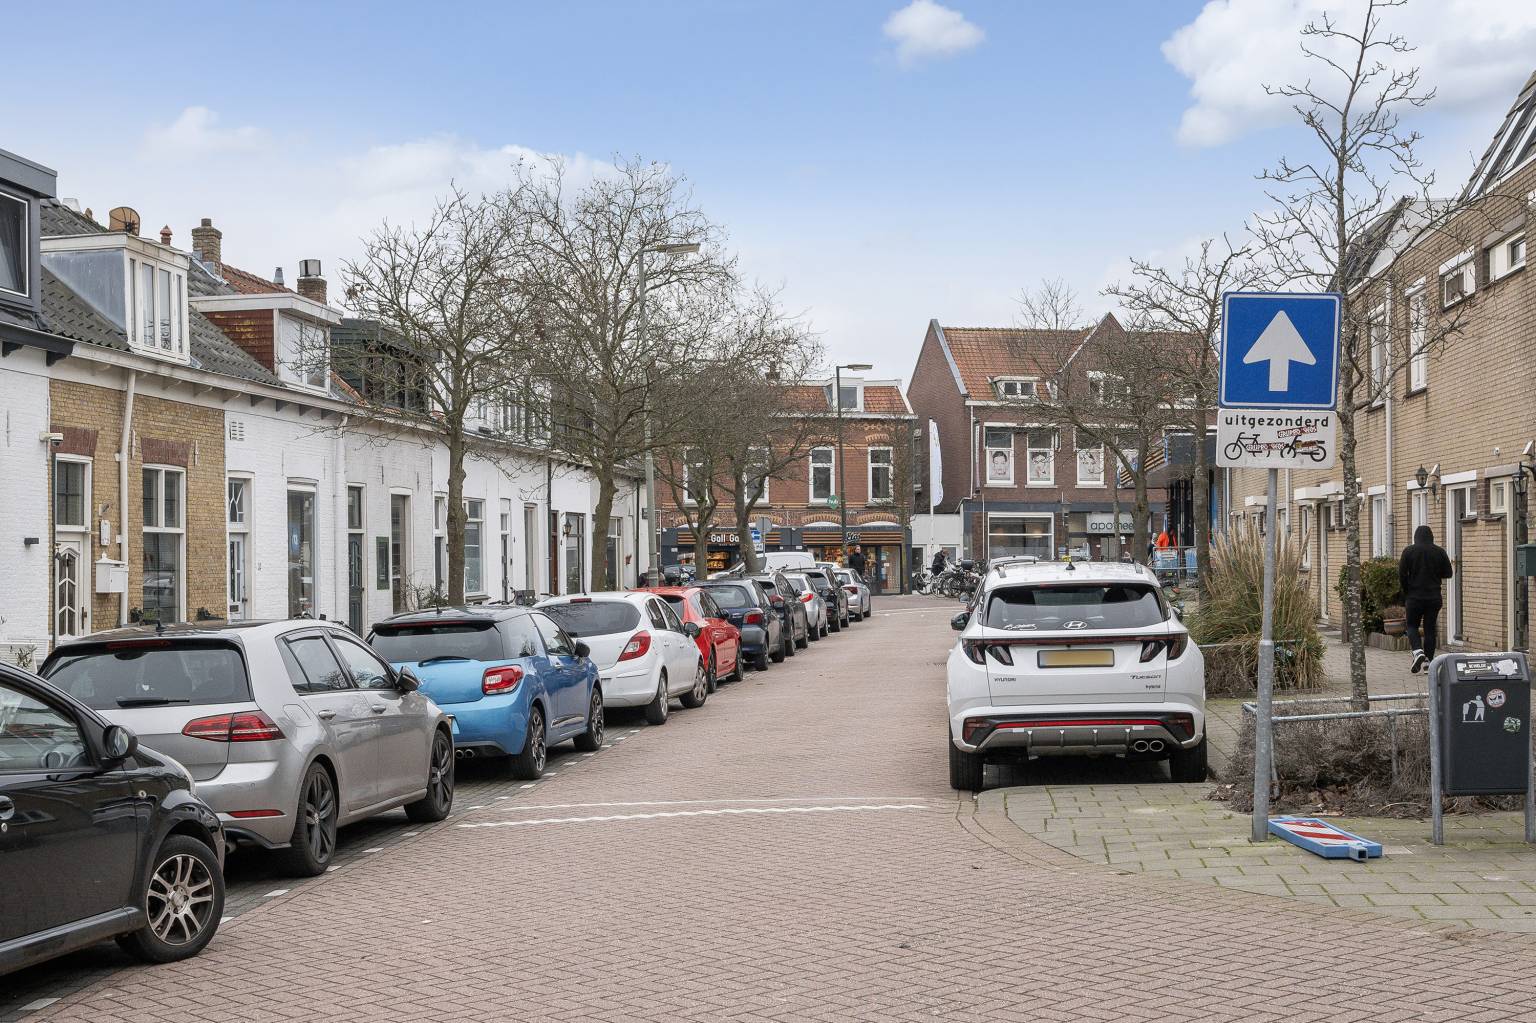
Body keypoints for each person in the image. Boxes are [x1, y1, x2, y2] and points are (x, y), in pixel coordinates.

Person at [1399, 524, 1454, 673]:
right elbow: (1448, 573)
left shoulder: (1408, 551)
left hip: (1414, 597)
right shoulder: (1439, 552)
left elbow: (1402, 574)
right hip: (1433, 597)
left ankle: (1418, 651)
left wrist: (1406, 591)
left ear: (1415, 537)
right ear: (1431, 536)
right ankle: (1428, 662)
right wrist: (1435, 573)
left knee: (1412, 626)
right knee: (1430, 628)